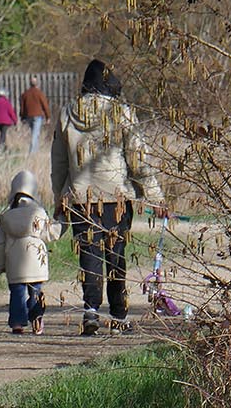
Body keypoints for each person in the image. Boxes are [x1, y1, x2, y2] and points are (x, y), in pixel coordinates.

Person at [51, 59, 164, 336]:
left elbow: (59, 163)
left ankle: (91, 311)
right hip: (116, 197)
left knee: (89, 255)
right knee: (116, 255)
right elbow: (137, 158)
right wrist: (153, 195)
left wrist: (59, 198)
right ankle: (118, 315)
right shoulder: (121, 113)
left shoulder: (67, 114)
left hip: (82, 199)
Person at [0, 170, 61, 335]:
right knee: (36, 292)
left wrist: (0, 266)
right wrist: (62, 223)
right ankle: (37, 318)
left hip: (14, 265)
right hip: (37, 263)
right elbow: (49, 234)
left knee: (17, 294)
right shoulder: (39, 214)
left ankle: (17, 323)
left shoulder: (6, 217)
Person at [20, 76, 51, 153]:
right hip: (37, 116)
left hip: (28, 116)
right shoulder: (39, 93)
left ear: (30, 84)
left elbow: (22, 107)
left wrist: (22, 117)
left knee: (34, 133)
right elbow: (45, 105)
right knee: (35, 134)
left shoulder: (25, 94)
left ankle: (35, 151)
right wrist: (48, 116)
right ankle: (32, 152)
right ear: (37, 84)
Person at [0, 89, 17, 153]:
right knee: (3, 133)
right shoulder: (7, 102)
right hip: (5, 121)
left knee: (3, 133)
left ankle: (5, 149)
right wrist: (15, 120)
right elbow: (11, 112)